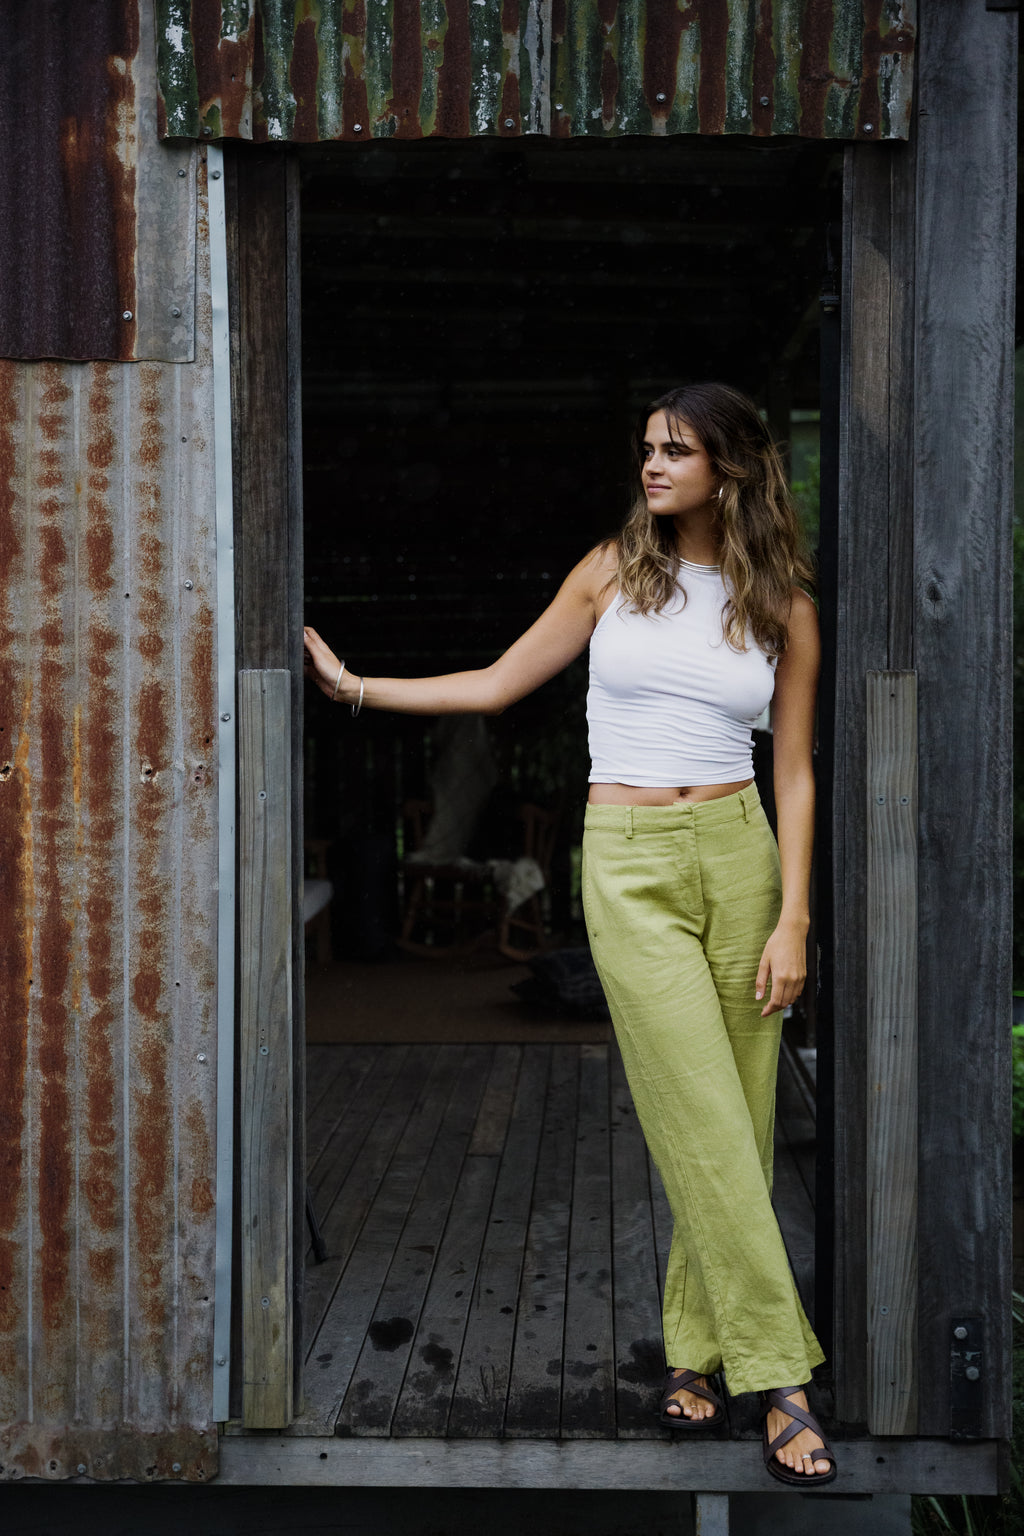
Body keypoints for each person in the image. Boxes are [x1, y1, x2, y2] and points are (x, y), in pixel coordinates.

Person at [302, 381, 835, 1487]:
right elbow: (498, 683)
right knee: (700, 1115)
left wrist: (793, 915)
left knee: (735, 1119)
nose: (652, 466)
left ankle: (694, 1353)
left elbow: (793, 772)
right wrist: (356, 688)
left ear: (729, 469)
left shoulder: (781, 601)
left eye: (675, 451)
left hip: (740, 857)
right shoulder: (610, 572)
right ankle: (783, 1375)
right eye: (647, 449)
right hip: (630, 863)